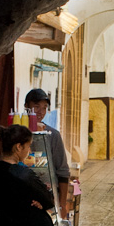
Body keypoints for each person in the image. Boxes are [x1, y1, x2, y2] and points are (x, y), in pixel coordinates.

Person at [24, 88, 70, 218]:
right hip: (23, 197)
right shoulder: (17, 133)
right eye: (36, 106)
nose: (40, 111)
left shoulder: (52, 135)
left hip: (47, 199)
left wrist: (62, 205)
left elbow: (63, 172)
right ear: (26, 106)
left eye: (44, 108)